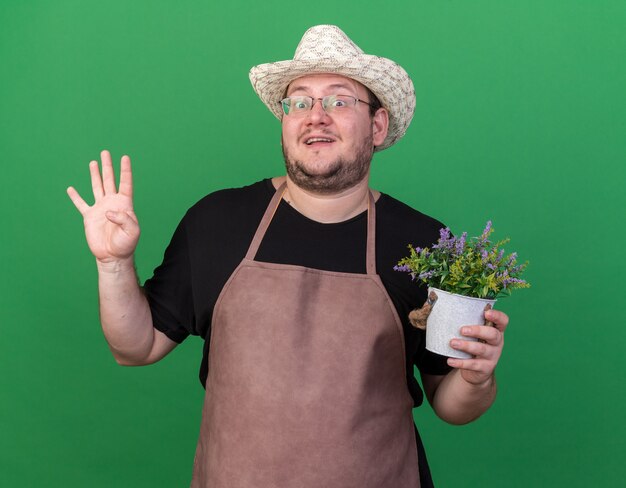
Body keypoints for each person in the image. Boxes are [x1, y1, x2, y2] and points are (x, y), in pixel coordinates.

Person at [67, 25, 509, 488]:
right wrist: (112, 264)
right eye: (299, 101)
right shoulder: (218, 221)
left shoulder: (423, 244)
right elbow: (135, 347)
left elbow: (450, 403)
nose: (316, 116)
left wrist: (476, 379)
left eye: (340, 100)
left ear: (377, 126)